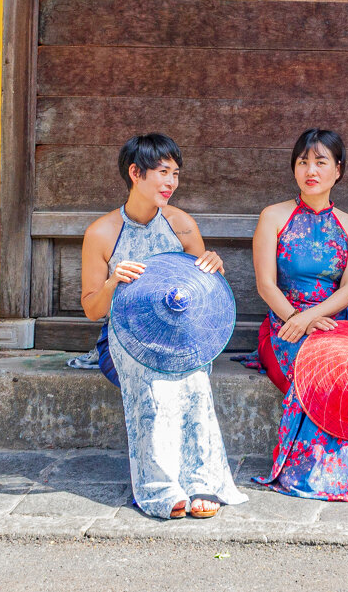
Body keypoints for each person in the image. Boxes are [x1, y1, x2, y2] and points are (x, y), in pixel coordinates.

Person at [79, 133, 247, 519]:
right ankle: (160, 487)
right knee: (151, 381)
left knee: (193, 378)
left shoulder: (181, 225)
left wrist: (213, 270)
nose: (171, 182)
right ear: (135, 173)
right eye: (162, 172)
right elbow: (91, 309)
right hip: (122, 340)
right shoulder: (101, 233)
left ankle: (202, 482)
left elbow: (203, 292)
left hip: (179, 337)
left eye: (176, 174)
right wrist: (112, 282)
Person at [251, 129, 348, 501]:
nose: (310, 169)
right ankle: (309, 473)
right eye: (303, 161)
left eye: (321, 161)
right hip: (283, 325)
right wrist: (297, 318)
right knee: (316, 371)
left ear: (338, 170)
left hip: (334, 323)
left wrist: (313, 319)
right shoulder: (273, 216)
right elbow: (266, 285)